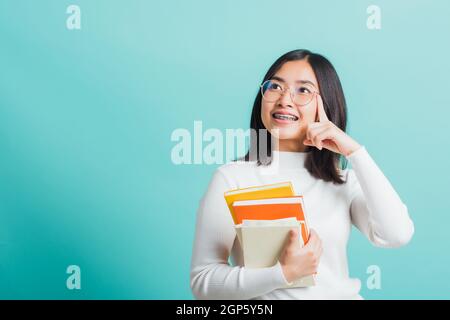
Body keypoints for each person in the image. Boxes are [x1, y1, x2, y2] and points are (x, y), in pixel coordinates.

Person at [190, 49, 414, 300]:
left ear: (325, 104)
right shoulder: (232, 178)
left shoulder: (343, 181)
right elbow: (203, 281)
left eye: (303, 90)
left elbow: (396, 234)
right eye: (275, 86)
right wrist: (282, 273)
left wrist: (354, 152)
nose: (285, 99)